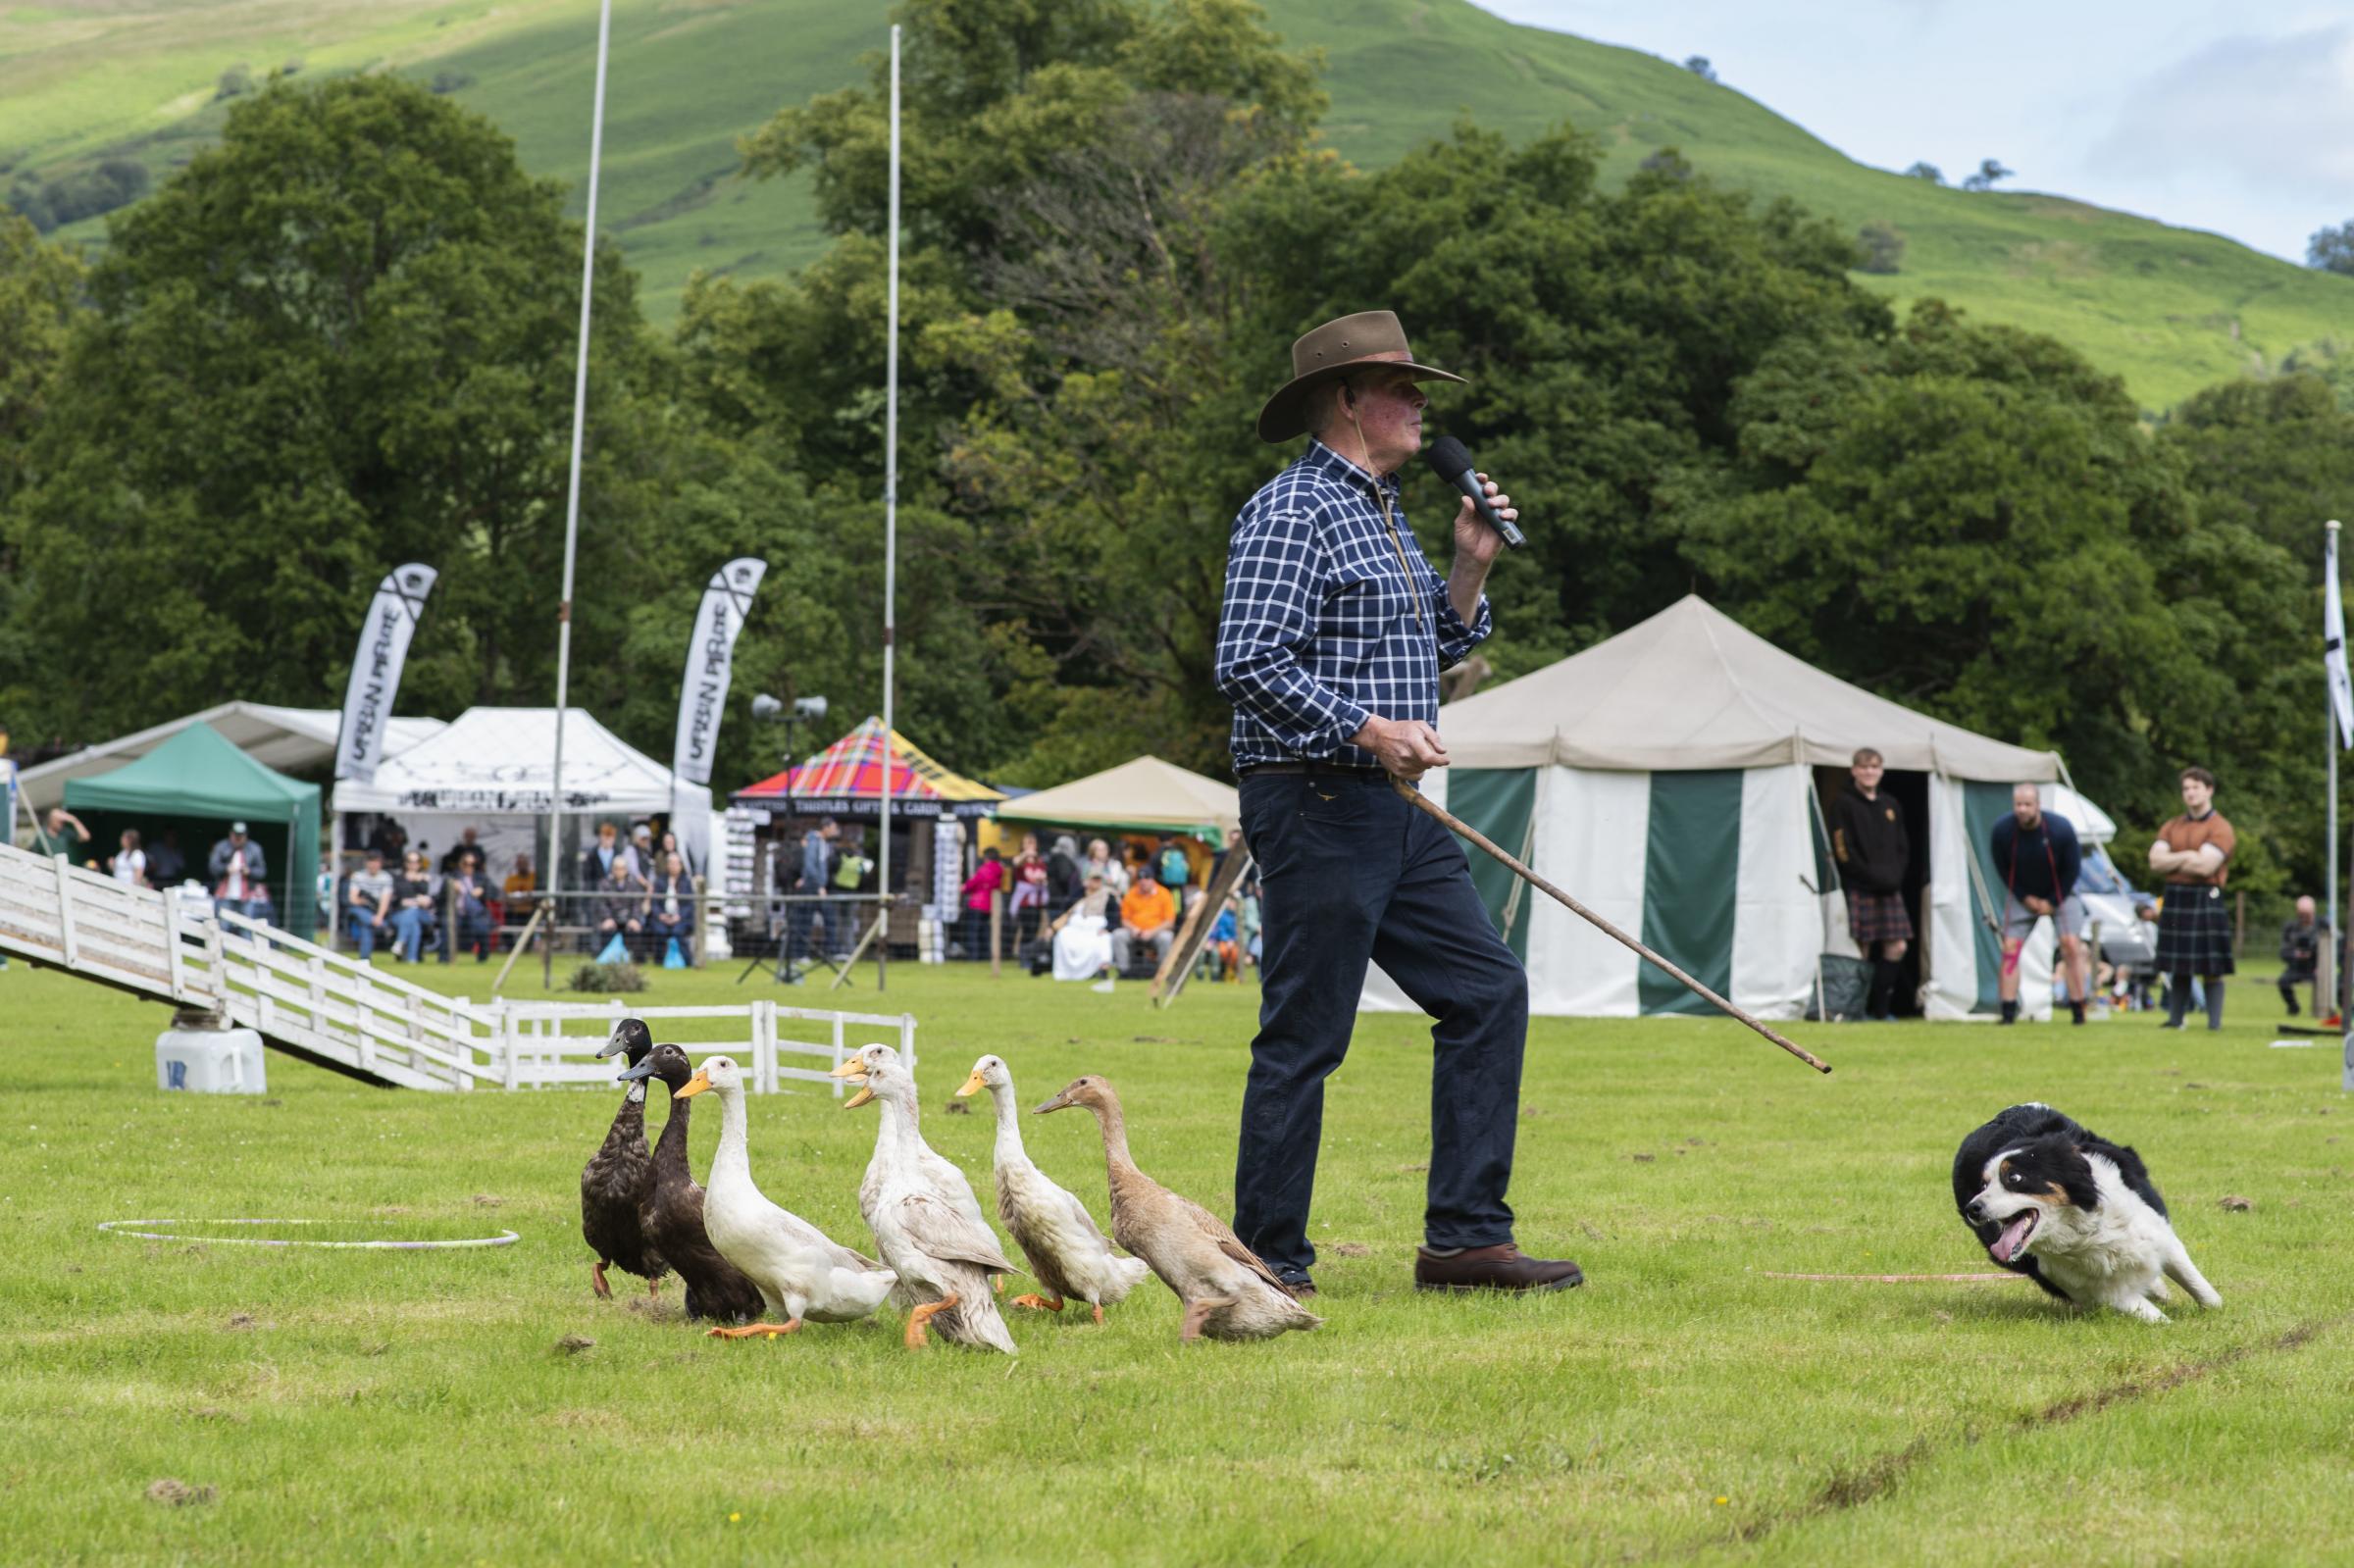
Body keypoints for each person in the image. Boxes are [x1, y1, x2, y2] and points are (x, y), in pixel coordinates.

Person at [1212, 307, 1577, 1298]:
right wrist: (1369, 730)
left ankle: (1463, 1241)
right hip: (1319, 796)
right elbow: (1246, 660)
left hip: (1395, 810)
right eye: (1403, 387)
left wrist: (1469, 562)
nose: (1421, 403)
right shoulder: (1293, 509)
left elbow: (1438, 650)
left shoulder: (1383, 510)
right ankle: (1268, 1261)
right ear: (1345, 401)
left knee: (1487, 993)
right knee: (1308, 1035)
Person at [1989, 783, 2090, 1026]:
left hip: (2061, 892)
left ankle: (2078, 1009)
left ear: (2038, 805)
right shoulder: (2003, 831)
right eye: (2018, 805)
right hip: (2024, 894)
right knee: (2010, 948)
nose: (2022, 810)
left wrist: (2053, 902)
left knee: (2070, 945)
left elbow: (2073, 870)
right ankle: (2008, 1012)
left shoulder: (2060, 829)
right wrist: (2025, 897)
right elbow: (2003, 870)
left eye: (2027, 804)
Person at [2149, 766, 2236, 1031]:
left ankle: (2214, 1023)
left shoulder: (2220, 827)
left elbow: (2206, 867)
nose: (2190, 793)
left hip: (2205, 898)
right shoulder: (2172, 825)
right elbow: (2155, 861)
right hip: (2177, 896)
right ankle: (2175, 1020)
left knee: (2211, 966)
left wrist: (2174, 859)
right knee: (2179, 963)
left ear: (2209, 790)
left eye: (2195, 787)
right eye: (2186, 788)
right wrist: (2189, 855)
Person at [1828, 747, 1912, 1021]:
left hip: (1890, 886)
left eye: (1874, 767)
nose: (1869, 772)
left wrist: (1896, 875)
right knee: (1862, 949)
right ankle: (1858, 1009)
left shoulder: (1890, 804)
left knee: (1897, 946)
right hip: (1861, 886)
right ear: (1854, 770)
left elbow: (1902, 846)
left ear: (1881, 770)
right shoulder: (1843, 804)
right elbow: (1843, 850)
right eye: (1864, 767)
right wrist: (1866, 876)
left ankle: (1881, 1009)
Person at [1049, 872, 1117, 981]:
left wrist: (1108, 929)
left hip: (1096, 930)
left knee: (1105, 939)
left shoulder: (1108, 896)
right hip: (1077, 929)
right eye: (1094, 879)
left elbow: (1114, 916)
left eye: (1098, 880)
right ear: (1088, 880)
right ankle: (1066, 971)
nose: (1096, 882)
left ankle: (1102, 969)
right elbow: (1066, 910)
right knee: (1063, 935)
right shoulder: (1079, 894)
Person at [1111, 868, 1177, 975]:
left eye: (1146, 878)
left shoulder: (1164, 894)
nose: (1143, 881)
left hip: (1156, 932)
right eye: (1140, 878)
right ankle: (1123, 972)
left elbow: (1169, 922)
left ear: (1153, 880)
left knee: (1166, 937)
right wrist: (1134, 929)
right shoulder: (1131, 894)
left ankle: (1162, 973)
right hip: (1135, 932)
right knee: (1118, 935)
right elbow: (1124, 920)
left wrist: (1152, 932)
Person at [592, 851, 648, 959]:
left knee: (635, 928)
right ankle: (603, 957)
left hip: (628, 919)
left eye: (622, 868)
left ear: (626, 869)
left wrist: (634, 919)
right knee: (606, 928)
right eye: (617, 868)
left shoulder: (633, 884)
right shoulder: (605, 883)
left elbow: (637, 904)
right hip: (611, 918)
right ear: (613, 869)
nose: (619, 871)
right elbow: (601, 903)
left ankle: (636, 959)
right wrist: (607, 918)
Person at [2277, 895, 2327, 1017]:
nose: (2304, 917)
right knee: (2283, 981)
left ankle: (2333, 1010)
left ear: (2313, 911)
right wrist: (2295, 954)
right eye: (2301, 914)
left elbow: (2332, 949)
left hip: (2317, 967)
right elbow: (2283, 952)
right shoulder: (2291, 928)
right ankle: (2293, 1007)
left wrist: (2318, 961)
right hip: (2296, 967)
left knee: (2336, 984)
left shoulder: (2323, 926)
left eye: (2307, 914)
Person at [209, 823, 268, 921]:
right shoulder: (221, 847)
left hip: (247, 896)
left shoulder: (255, 849)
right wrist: (226, 869)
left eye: (241, 836)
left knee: (247, 929)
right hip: (224, 895)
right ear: (230, 834)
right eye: (236, 835)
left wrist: (249, 871)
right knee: (222, 927)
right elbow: (213, 867)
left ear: (246, 836)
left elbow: (262, 872)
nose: (238, 839)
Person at [441, 851, 492, 963]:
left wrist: (482, 891)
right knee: (447, 926)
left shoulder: (481, 878)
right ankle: (444, 959)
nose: (469, 867)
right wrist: (451, 888)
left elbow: (494, 893)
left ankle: (483, 958)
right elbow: (441, 895)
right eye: (466, 863)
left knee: (482, 928)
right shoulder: (452, 876)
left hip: (475, 914)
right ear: (461, 864)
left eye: (472, 864)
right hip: (456, 912)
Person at [346, 848, 395, 961]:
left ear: (381, 863)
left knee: (366, 926)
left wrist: (379, 916)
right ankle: (385, 927)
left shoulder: (386, 878)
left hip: (375, 911)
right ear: (366, 862)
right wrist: (364, 902)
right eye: (371, 861)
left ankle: (364, 959)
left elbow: (385, 900)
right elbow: (353, 899)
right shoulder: (358, 876)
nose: (373, 865)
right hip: (359, 910)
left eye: (376, 861)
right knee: (361, 914)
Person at [959, 846, 1007, 960]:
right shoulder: (1000, 870)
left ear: (986, 858)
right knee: (986, 932)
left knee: (973, 932)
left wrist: (964, 888)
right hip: (990, 905)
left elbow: (972, 883)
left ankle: (974, 957)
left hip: (977, 903)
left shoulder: (984, 869)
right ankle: (986, 956)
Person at [389, 850, 437, 963]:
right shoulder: (398, 879)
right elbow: (400, 901)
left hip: (423, 915)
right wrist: (417, 900)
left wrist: (415, 898)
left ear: (420, 864)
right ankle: (412, 959)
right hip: (400, 915)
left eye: (416, 862)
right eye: (410, 861)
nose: (413, 865)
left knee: (413, 911)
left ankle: (400, 942)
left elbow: (428, 900)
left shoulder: (425, 879)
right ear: (405, 863)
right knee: (414, 925)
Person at [649, 851, 696, 963]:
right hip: (663, 917)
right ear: (667, 865)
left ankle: (687, 961)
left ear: (680, 865)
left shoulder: (686, 882)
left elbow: (689, 905)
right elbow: (654, 903)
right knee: (660, 931)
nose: (673, 866)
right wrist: (661, 915)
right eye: (671, 863)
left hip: (681, 918)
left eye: (676, 863)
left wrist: (679, 916)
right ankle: (659, 961)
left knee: (678, 932)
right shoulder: (660, 881)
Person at [1005, 834, 1050, 946]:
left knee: (1034, 929)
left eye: (1033, 843)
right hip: (1024, 902)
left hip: (1037, 901)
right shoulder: (1020, 859)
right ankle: (1023, 954)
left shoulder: (1040, 861)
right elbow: (1016, 863)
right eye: (1027, 843)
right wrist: (1026, 854)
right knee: (1025, 929)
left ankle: (1030, 954)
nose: (1031, 846)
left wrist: (1043, 880)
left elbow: (1045, 875)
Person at [1207, 895, 1243, 982]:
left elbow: (1240, 931)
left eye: (1233, 903)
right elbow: (1221, 930)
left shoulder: (1239, 916)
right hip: (1224, 941)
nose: (1232, 905)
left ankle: (1234, 975)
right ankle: (1220, 975)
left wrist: (1233, 940)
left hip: (1235, 941)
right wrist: (1227, 939)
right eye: (1230, 902)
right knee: (1222, 952)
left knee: (1235, 954)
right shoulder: (1222, 915)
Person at [1155, 835, 1194, 910]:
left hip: (1162, 887)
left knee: (1164, 908)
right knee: (1177, 908)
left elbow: (1152, 872)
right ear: (1172, 839)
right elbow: (1188, 871)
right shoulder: (1180, 853)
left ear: (1158, 840)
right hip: (1178, 887)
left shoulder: (1157, 854)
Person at [502, 852, 538, 919]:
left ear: (527, 863)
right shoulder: (510, 880)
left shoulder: (535, 877)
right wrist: (526, 898)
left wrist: (521, 898)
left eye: (523, 863)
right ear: (516, 865)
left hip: (533, 912)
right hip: (516, 914)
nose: (522, 865)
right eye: (519, 863)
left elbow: (536, 897)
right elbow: (508, 898)